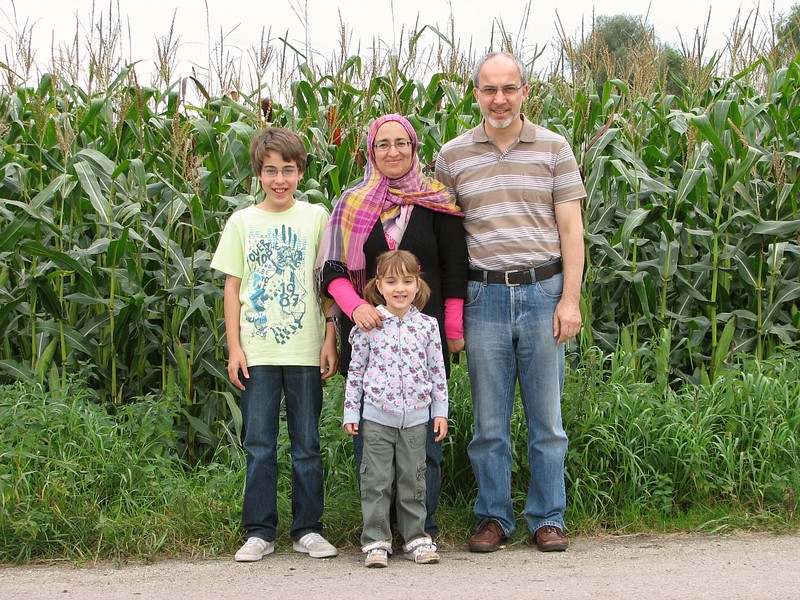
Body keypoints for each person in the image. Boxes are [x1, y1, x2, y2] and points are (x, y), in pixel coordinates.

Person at [435, 52, 586, 553]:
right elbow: (445, 237)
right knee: (489, 423)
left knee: (547, 421)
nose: (499, 99)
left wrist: (570, 300)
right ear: (475, 93)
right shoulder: (452, 156)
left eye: (509, 88)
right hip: (484, 297)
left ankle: (547, 516)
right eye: (489, 89)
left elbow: (571, 230)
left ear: (525, 91)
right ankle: (493, 515)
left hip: (543, 293)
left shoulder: (554, 148)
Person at [316, 113, 468, 539]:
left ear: (414, 148)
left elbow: (455, 267)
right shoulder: (352, 203)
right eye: (383, 144)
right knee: (374, 447)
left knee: (424, 446)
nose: (393, 151)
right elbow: (332, 269)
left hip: (424, 338)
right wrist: (353, 308)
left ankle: (422, 529)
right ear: (371, 151)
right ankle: (379, 530)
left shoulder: (437, 200)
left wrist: (452, 326)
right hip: (369, 338)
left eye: (402, 143)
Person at [211, 127, 339, 562]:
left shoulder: (316, 217)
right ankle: (260, 531)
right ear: (258, 174)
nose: (279, 179)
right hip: (258, 352)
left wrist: (329, 336)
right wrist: (235, 347)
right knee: (259, 444)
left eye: (288, 169)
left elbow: (328, 283)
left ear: (300, 171)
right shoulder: (242, 222)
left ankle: (308, 529)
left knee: (307, 445)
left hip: (305, 351)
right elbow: (232, 288)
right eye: (270, 171)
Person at [343, 249, 448, 567]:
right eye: (391, 281)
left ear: (418, 284)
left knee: (413, 478)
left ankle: (416, 537)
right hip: (376, 417)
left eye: (407, 281)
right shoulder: (368, 326)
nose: (399, 288)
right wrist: (351, 411)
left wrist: (440, 410)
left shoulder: (428, 327)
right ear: (379, 285)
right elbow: (355, 373)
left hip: (417, 419)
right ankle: (376, 541)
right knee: (375, 479)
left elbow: (437, 371)